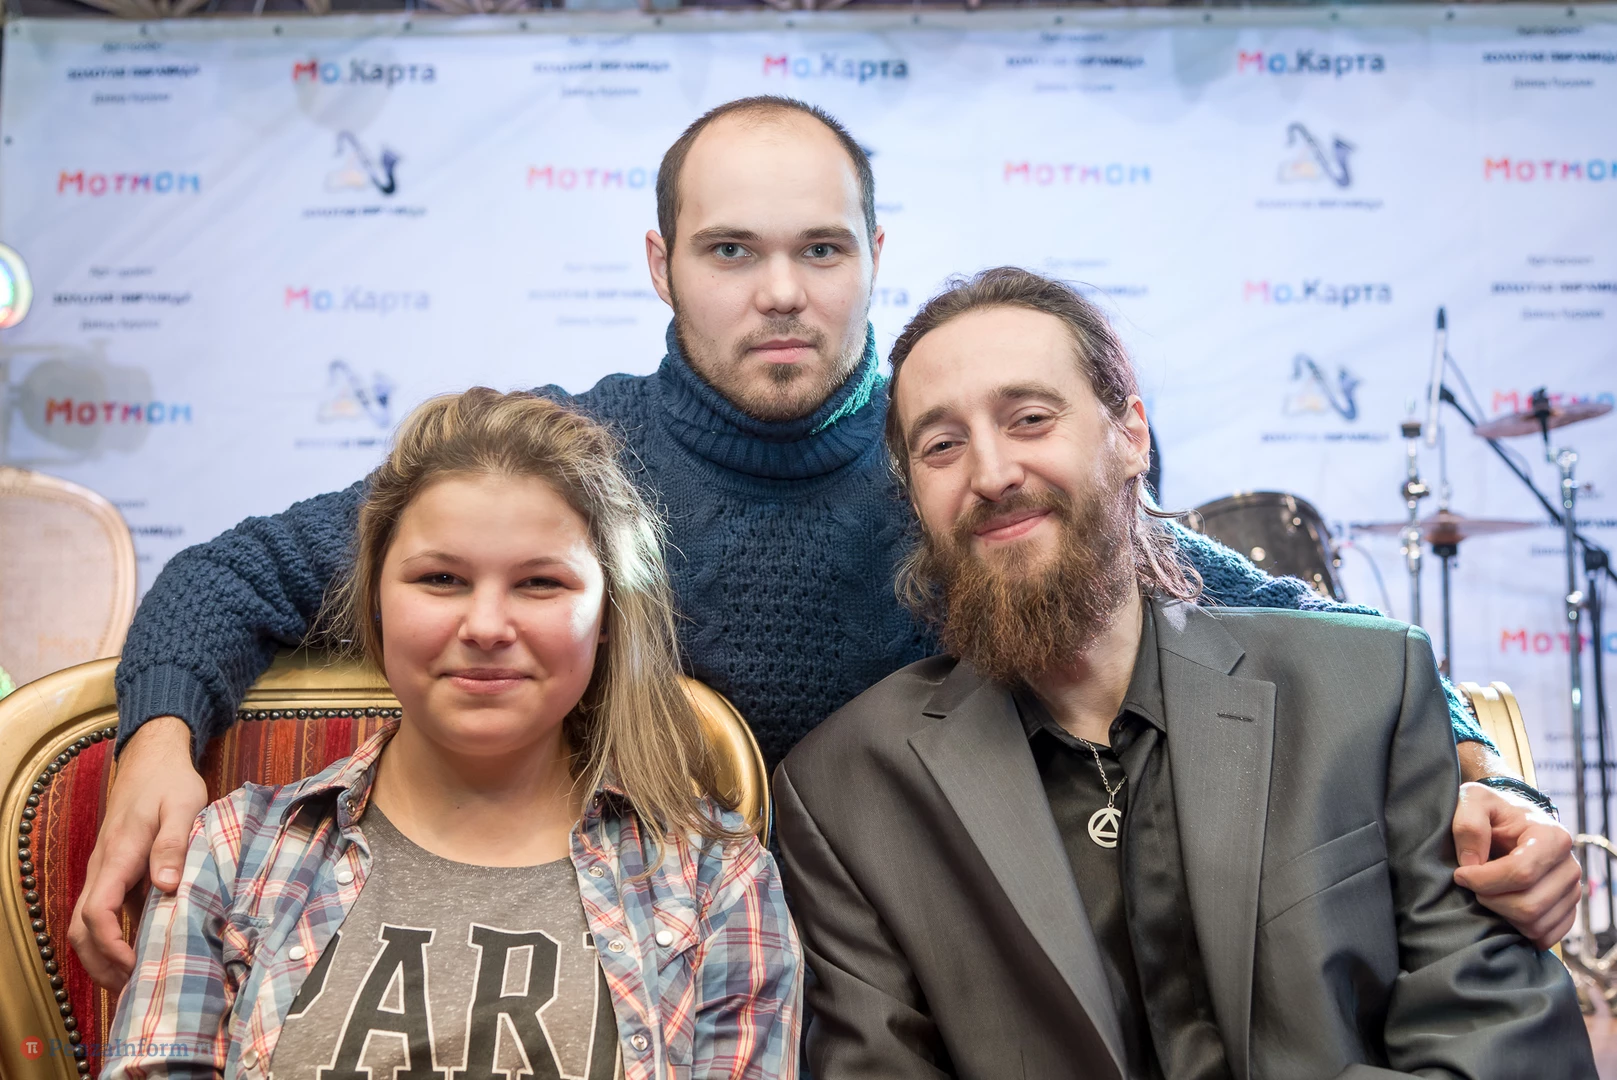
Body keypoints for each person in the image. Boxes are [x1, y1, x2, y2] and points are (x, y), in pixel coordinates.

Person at [72, 96, 1575, 988]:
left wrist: (1484, 771)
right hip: (644, 973)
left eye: (821, 249)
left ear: (873, 258)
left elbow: (1289, 622)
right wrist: (157, 740)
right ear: (662, 264)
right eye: (732, 251)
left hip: (949, 974)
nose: (781, 292)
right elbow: (231, 574)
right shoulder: (572, 462)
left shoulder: (961, 468)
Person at [772, 268, 1592, 1080]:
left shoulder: (1369, 691)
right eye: (941, 446)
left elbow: (1503, 1047)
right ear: (913, 494)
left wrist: (1506, 786)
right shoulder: (844, 792)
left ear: (1131, 436)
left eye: (1029, 419)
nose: (990, 474)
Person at [102, 389, 801, 1080]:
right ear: (375, 598)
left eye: (540, 583)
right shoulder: (231, 854)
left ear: (608, 616)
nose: (487, 627)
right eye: (441, 578)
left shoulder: (715, 881)